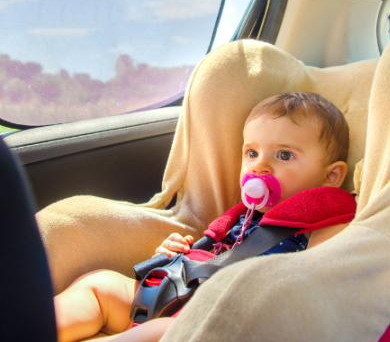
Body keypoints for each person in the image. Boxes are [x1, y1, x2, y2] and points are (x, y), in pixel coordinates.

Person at [54, 92, 352, 342]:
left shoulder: (327, 222)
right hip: (179, 292)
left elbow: (318, 279)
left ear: (331, 176)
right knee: (98, 284)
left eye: (284, 155)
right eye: (251, 153)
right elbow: (215, 254)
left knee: (167, 330)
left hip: (220, 320)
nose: (259, 167)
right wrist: (180, 252)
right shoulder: (243, 218)